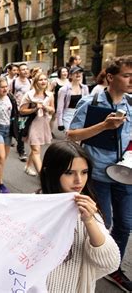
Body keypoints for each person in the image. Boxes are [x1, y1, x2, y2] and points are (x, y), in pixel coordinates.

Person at [67, 55, 132, 290]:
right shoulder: (91, 101)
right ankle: (94, 263)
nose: (131, 80)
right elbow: (72, 135)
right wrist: (104, 126)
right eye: (127, 75)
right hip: (98, 176)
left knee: (125, 224)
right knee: (103, 223)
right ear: (112, 77)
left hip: (126, 175)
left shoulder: (131, 104)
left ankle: (112, 267)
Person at [39, 141, 120, 292]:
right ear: (50, 171)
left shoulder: (86, 210)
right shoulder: (34, 205)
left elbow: (110, 261)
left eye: (84, 172)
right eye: (69, 173)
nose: (79, 180)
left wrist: (89, 221)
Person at [19, 73, 55, 176]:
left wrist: (46, 108)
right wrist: (35, 109)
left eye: (45, 79)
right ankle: (42, 176)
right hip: (32, 123)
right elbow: (21, 110)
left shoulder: (50, 95)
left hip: (44, 123)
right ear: (35, 82)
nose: (43, 81)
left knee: (36, 148)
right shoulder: (29, 95)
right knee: (36, 150)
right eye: (40, 80)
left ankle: (27, 166)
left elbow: (53, 110)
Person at [9, 63, 31, 162]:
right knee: (20, 128)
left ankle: (19, 142)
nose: (25, 71)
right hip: (17, 109)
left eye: (26, 69)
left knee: (24, 129)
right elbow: (9, 94)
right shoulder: (14, 82)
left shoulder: (30, 81)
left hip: (27, 109)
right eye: (23, 69)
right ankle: (21, 150)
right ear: (18, 71)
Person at [56, 66, 89, 132]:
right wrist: (60, 123)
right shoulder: (64, 89)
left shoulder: (85, 88)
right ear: (70, 75)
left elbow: (87, 104)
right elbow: (60, 107)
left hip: (80, 114)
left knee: (78, 138)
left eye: (79, 72)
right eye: (75, 73)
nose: (78, 74)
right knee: (70, 136)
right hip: (68, 115)